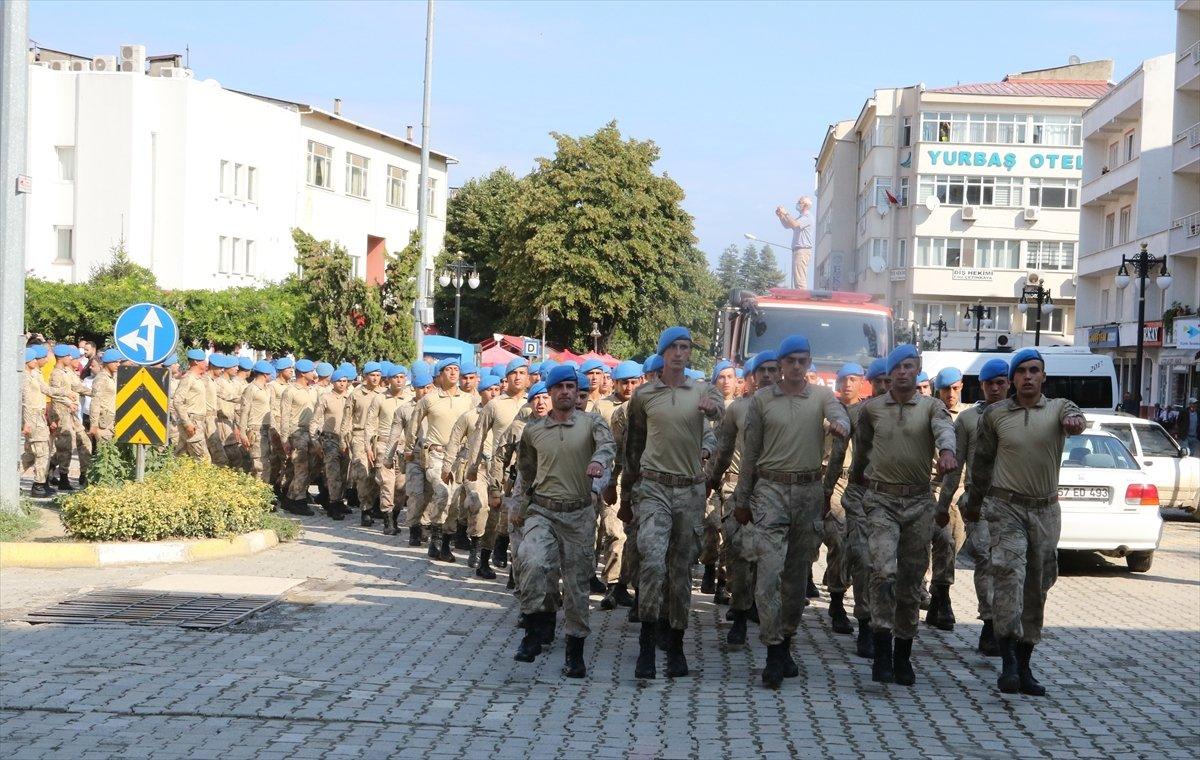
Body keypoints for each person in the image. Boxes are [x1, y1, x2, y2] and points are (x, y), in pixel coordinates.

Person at [967, 348, 1085, 696]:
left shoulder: (1059, 408)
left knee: (1037, 585)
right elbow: (982, 464)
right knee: (1008, 577)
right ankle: (1007, 664)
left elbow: (1076, 418)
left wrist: (1075, 423)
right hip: (1006, 509)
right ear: (1013, 378)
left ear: (1043, 376)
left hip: (1046, 512)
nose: (1028, 377)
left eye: (1035, 371)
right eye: (1022, 372)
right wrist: (973, 504)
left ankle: (1026, 664)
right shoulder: (996, 415)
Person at [734, 335, 849, 688]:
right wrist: (742, 499)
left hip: (807, 493)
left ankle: (786, 639)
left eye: (803, 360)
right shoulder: (762, 402)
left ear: (809, 363)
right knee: (769, 574)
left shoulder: (821, 397)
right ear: (781, 364)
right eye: (790, 361)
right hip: (769, 490)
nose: (796, 366)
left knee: (796, 578)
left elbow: (838, 414)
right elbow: (750, 454)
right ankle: (772, 649)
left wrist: (841, 425)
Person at [849, 344, 956, 687]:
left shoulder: (931, 407)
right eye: (897, 367)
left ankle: (903, 653)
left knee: (910, 581)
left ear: (916, 369)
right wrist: (857, 481)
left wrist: (948, 452)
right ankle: (881, 649)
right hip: (881, 501)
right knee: (883, 572)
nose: (903, 372)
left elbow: (944, 430)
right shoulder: (872, 410)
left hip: (918, 504)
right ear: (889, 374)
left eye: (910, 366)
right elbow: (862, 449)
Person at [623, 326, 725, 680]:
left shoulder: (702, 390)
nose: (680, 353)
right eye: (674, 348)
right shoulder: (644, 396)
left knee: (681, 571)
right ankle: (647, 645)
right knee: (652, 562)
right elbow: (633, 448)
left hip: (690, 491)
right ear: (663, 353)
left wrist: (713, 408)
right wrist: (625, 493)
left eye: (686, 347)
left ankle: (677, 645)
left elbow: (719, 412)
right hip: (652, 489)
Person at [512, 365, 615, 676]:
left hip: (579, 514)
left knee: (576, 585)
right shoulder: (533, 430)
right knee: (531, 562)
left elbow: (608, 447)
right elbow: (526, 470)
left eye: (572, 386)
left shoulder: (591, 422)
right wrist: (520, 505)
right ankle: (533, 631)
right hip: (542, 511)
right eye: (560, 387)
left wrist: (598, 462)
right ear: (551, 392)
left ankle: (575, 649)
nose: (567, 392)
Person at [939, 358, 1009, 657]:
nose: (995, 388)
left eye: (1000, 382)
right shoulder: (967, 421)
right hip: (978, 501)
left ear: (1008, 383)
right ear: (981, 385)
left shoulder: (1017, 416)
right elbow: (955, 468)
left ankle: (1007, 621)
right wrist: (943, 504)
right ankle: (990, 622)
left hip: (1012, 502)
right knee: (985, 558)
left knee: (1008, 564)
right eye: (989, 383)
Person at [465, 357, 531, 575]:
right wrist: (472, 467)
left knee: (516, 519)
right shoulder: (494, 405)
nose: (518, 377)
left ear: (528, 377)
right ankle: (484, 559)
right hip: (498, 468)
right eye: (514, 373)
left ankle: (514, 569)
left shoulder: (534, 403)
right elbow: (478, 436)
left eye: (522, 373)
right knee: (494, 515)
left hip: (523, 469)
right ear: (507, 378)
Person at [409, 357, 475, 562]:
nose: (454, 373)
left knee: (455, 500)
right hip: (436, 454)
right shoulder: (429, 399)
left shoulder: (469, 399)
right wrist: (410, 449)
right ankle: (435, 536)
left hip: (459, 456)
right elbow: (413, 425)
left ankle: (445, 542)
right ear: (440, 374)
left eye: (456, 369)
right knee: (443, 492)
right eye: (449, 369)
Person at [820, 362, 867, 643]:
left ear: (862, 382)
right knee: (837, 539)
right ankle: (837, 600)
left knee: (857, 547)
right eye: (843, 380)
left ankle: (849, 594)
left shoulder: (869, 412)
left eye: (853, 379)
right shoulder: (826, 414)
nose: (848, 384)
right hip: (829, 480)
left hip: (860, 482)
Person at [597, 360, 643, 609]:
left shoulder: (647, 406)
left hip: (642, 482)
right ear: (614, 382)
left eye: (633, 382)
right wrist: (608, 481)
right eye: (624, 382)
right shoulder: (603, 408)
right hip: (612, 474)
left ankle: (631, 585)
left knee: (636, 537)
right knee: (615, 532)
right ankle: (613, 586)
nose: (629, 386)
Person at [927, 367, 968, 631]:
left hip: (961, 489)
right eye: (945, 389)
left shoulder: (969, 416)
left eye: (954, 388)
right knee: (943, 539)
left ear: (961, 387)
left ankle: (937, 595)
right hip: (932, 486)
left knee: (957, 542)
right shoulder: (930, 413)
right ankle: (942, 596)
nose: (950, 394)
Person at [700, 360, 740, 600]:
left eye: (730, 377)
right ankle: (707, 566)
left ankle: (723, 582)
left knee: (729, 530)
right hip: (706, 477)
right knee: (711, 526)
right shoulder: (707, 408)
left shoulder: (742, 408)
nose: (726, 381)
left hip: (731, 479)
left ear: (737, 381)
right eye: (721, 377)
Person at [22, 345, 74, 497]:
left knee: (32, 454)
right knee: (42, 452)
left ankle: (10, 477)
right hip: (32, 418)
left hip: (38, 417)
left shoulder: (35, 375)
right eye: (42, 357)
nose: (45, 360)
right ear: (30, 360)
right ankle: (38, 485)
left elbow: (48, 390)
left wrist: (66, 394)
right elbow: (25, 402)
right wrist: (26, 422)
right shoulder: (25, 378)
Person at [344, 361, 383, 525]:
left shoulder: (384, 394)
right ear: (365, 376)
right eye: (372, 375)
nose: (375, 378)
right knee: (363, 473)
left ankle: (373, 504)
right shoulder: (356, 394)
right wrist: (344, 440)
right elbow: (347, 420)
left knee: (376, 474)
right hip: (359, 435)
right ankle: (365, 509)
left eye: (378, 375)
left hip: (378, 437)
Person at [312, 366, 353, 519]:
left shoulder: (350, 397)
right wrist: (315, 441)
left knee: (344, 474)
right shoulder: (325, 397)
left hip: (346, 440)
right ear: (333, 382)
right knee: (333, 473)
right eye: (339, 381)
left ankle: (339, 500)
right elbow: (315, 420)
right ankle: (333, 505)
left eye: (345, 381)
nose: (342, 384)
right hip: (330, 439)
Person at [280, 359, 319, 516]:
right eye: (311, 371)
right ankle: (298, 501)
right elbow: (284, 416)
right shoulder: (290, 391)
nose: (314, 374)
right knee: (301, 467)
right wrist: (285, 439)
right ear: (303, 373)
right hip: (297, 433)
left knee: (312, 467)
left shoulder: (313, 390)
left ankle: (291, 497)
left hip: (311, 433)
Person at [238, 361, 278, 490]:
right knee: (259, 464)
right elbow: (244, 412)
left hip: (267, 429)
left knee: (266, 462)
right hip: (255, 430)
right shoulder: (251, 389)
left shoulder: (268, 388)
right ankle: (259, 494)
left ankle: (262, 492)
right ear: (266, 374)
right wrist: (242, 432)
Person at [172, 349, 211, 462]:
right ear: (196, 362)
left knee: (182, 457)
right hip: (192, 423)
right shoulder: (188, 378)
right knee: (203, 460)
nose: (206, 363)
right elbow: (178, 401)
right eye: (203, 361)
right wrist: (187, 423)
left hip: (198, 422)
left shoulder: (197, 378)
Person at [776, 196, 813, 289]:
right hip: (798, 250)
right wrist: (781, 216)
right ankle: (800, 295)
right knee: (797, 277)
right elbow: (788, 225)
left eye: (800, 202)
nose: (798, 203)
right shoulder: (801, 217)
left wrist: (786, 213)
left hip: (802, 250)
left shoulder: (807, 217)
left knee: (800, 280)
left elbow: (794, 223)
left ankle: (801, 298)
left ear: (805, 205)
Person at [88, 349, 122, 444]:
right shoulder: (101, 379)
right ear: (107, 362)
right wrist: (94, 424)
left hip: (112, 420)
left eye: (119, 362)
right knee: (105, 452)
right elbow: (95, 402)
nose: (118, 364)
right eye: (115, 362)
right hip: (103, 424)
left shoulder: (113, 376)